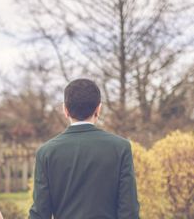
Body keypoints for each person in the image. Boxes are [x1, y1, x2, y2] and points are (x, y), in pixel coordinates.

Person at [29, 78, 139, 219]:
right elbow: (129, 211)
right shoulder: (120, 148)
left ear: (65, 109)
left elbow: (40, 213)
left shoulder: (46, 152)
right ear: (98, 109)